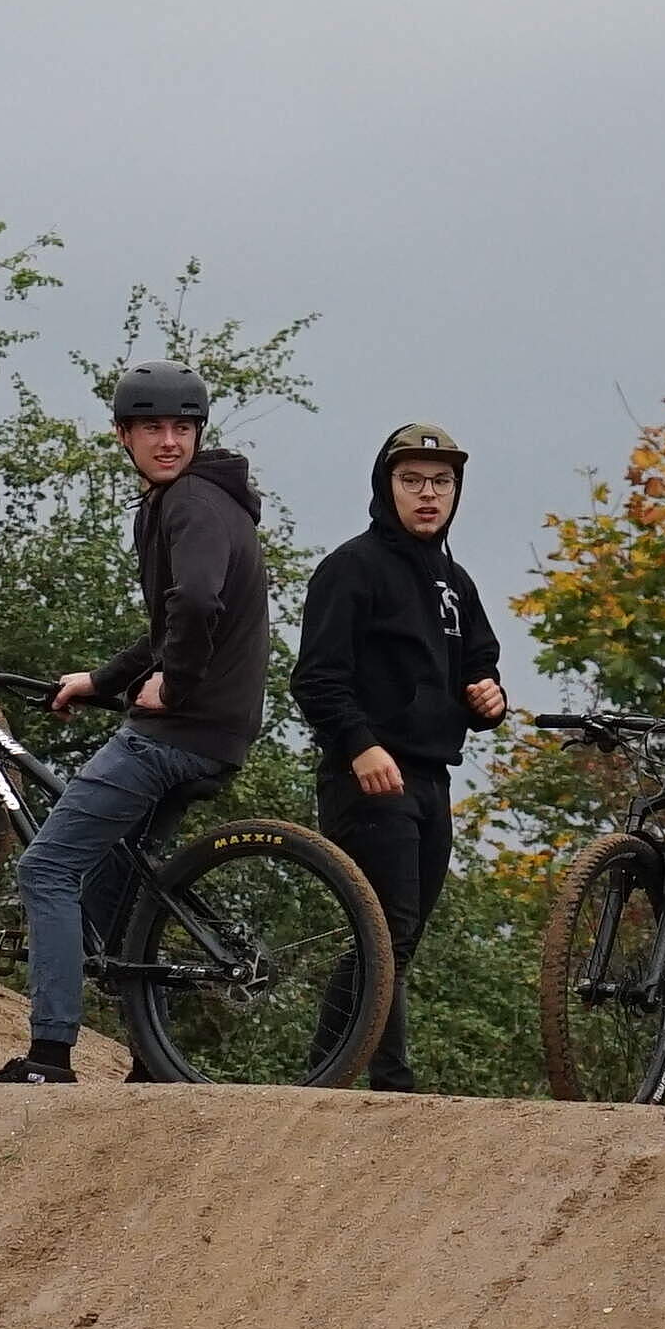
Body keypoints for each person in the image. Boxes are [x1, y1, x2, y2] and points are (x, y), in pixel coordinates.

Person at [0, 366, 266, 1085]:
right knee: (116, 880)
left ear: (199, 433)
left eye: (182, 428)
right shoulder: (197, 503)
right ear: (123, 435)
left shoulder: (191, 503)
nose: (169, 441)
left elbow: (199, 604)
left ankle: (49, 1057)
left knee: (48, 867)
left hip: (177, 735)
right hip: (219, 733)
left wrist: (173, 682)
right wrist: (100, 681)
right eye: (153, 428)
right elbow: (172, 620)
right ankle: (152, 1058)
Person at [287, 421, 511, 1091]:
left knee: (395, 941)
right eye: (411, 480)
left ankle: (371, 1079)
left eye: (441, 482)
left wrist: (490, 699)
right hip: (369, 773)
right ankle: (350, 1080)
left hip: (432, 776)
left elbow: (481, 664)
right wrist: (359, 744)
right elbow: (316, 679)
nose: (427, 494)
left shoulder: (455, 581)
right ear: (386, 487)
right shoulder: (351, 568)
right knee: (385, 931)